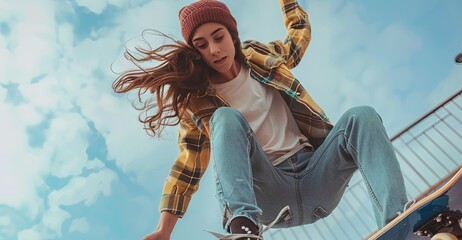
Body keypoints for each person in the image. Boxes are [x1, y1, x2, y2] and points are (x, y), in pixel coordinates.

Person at [112, 0, 408, 239]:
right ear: (196, 52)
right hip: (267, 195)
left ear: (232, 35)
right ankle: (243, 231)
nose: (214, 50)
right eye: (202, 45)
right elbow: (187, 167)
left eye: (218, 37)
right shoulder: (197, 102)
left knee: (362, 116)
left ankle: (400, 224)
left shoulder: (260, 55)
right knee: (226, 118)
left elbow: (297, 39)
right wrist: (164, 230)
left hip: (317, 177)